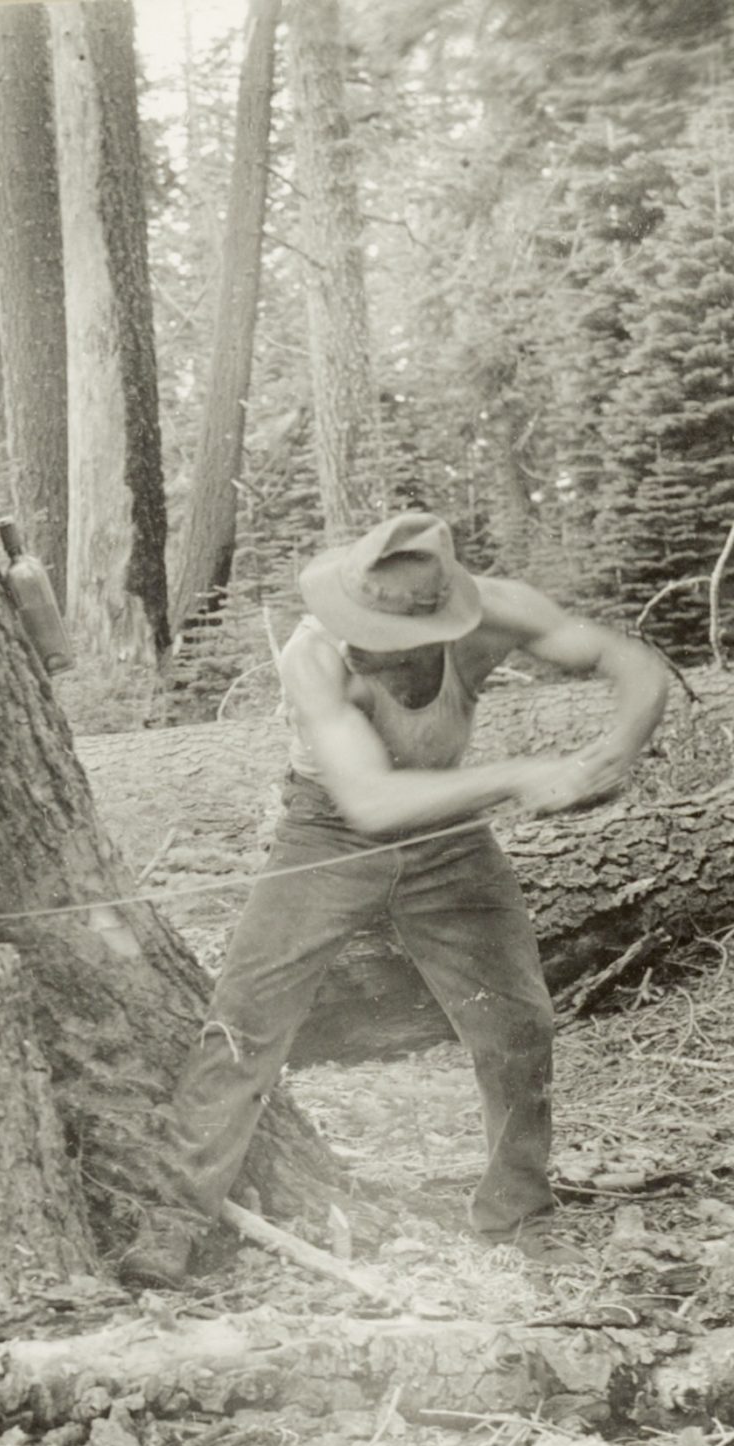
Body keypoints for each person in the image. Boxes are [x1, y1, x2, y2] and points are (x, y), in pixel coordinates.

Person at [121, 512, 668, 1288]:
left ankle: (516, 1214)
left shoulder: (497, 613)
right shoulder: (314, 656)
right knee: (244, 1019)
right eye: (356, 620)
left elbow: (630, 661)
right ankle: (171, 1223)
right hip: (328, 830)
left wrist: (613, 750)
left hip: (451, 839)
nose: (361, 639)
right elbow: (371, 801)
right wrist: (521, 775)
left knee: (516, 1021)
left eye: (380, 629)